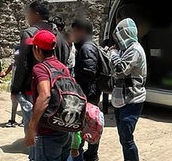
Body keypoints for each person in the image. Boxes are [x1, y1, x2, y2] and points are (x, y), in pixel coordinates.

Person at [13, 0, 70, 145]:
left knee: (35, 125)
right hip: (58, 88)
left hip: (35, 89)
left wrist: (16, 88)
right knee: (54, 123)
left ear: (36, 14)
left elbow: (23, 64)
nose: (28, 18)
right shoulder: (60, 35)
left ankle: (35, 151)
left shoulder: (29, 34)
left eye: (29, 14)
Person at [24, 30, 72, 161]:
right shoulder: (63, 68)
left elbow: (45, 95)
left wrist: (32, 127)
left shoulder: (40, 68)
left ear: (37, 49)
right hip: (64, 129)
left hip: (48, 133)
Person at [108, 18, 146, 161]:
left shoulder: (135, 50)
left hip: (132, 100)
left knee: (127, 139)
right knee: (123, 138)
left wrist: (113, 54)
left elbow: (120, 70)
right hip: (121, 100)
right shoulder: (126, 50)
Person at [69, 18, 101, 161]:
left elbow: (90, 71)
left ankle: (90, 154)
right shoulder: (84, 46)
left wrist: (76, 86)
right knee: (88, 124)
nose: (72, 33)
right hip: (88, 93)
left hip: (88, 94)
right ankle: (89, 154)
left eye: (74, 30)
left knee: (88, 124)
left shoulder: (87, 48)